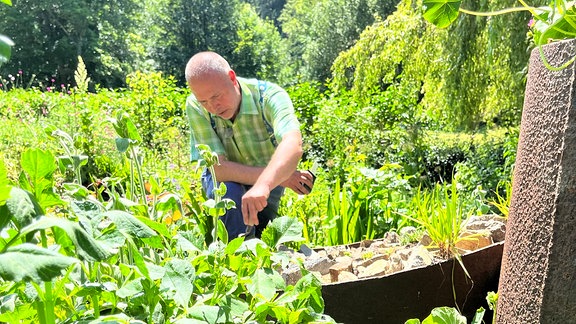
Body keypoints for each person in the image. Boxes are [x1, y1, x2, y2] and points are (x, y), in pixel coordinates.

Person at [184, 51, 314, 239]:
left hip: (267, 185)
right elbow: (217, 169)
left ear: (232, 78)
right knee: (230, 194)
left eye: (217, 96)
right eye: (204, 101)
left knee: (261, 233)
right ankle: (235, 260)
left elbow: (293, 142)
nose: (213, 107)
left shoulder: (269, 97)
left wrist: (264, 184)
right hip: (230, 183)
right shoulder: (195, 106)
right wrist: (280, 178)